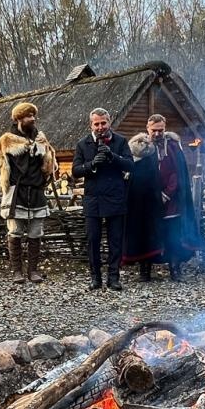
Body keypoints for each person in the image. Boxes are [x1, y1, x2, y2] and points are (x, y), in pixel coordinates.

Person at [0, 101, 55, 283]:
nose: (32, 119)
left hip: (36, 191)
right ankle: (17, 271)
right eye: (28, 116)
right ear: (18, 118)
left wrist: (44, 161)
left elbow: (50, 163)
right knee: (15, 231)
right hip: (16, 191)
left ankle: (33, 271)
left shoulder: (41, 138)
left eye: (33, 116)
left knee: (35, 232)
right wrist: (5, 182)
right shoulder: (6, 140)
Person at [72, 108, 132, 291]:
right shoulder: (83, 144)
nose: (100, 127)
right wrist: (92, 165)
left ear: (109, 122)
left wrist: (112, 156)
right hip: (93, 199)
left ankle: (113, 277)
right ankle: (95, 277)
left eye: (103, 123)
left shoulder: (120, 141)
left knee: (115, 240)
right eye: (96, 124)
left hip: (115, 197)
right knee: (93, 239)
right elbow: (75, 171)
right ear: (91, 125)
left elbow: (131, 165)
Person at [144, 114, 198, 281]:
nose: (158, 134)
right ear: (148, 129)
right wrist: (152, 195)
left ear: (165, 128)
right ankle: (145, 271)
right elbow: (139, 175)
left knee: (173, 235)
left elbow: (178, 174)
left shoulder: (174, 147)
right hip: (148, 202)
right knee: (147, 235)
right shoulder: (141, 147)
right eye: (154, 130)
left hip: (171, 201)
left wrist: (166, 194)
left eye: (161, 130)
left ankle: (175, 270)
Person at [121, 131, 165, 281]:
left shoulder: (149, 160)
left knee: (149, 236)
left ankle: (146, 269)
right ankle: (143, 270)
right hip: (135, 205)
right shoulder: (130, 162)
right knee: (139, 236)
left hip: (149, 205)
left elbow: (156, 181)